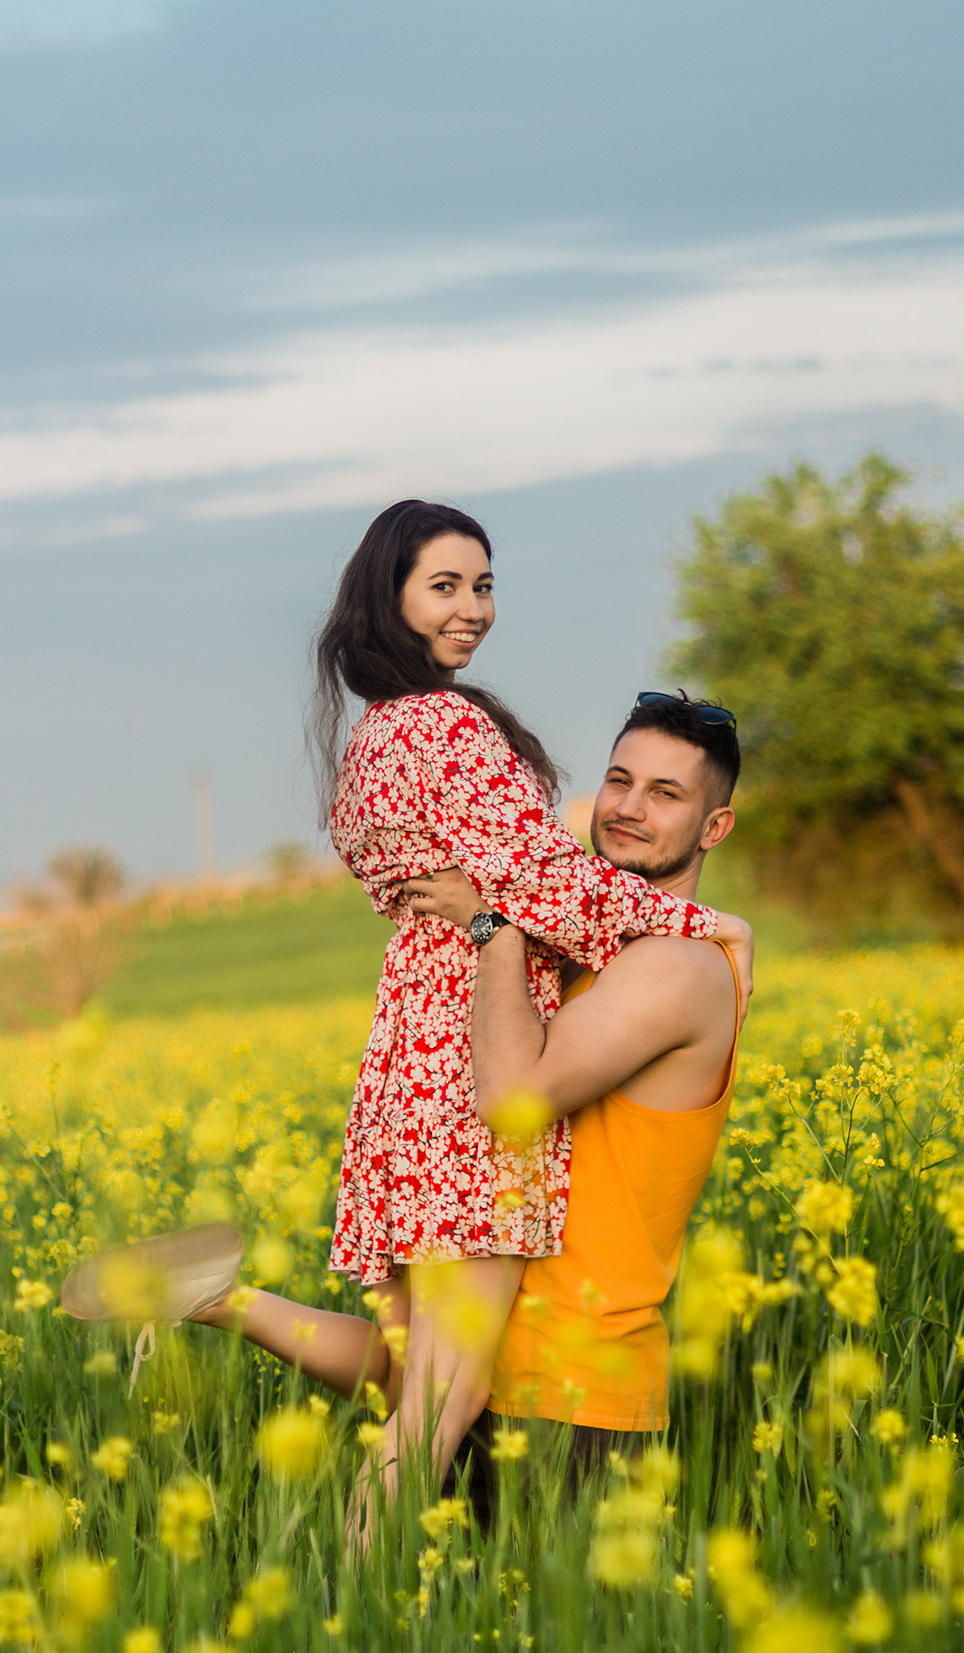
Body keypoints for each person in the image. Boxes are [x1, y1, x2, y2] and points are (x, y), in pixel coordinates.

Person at [307, 502, 751, 1499]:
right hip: (470, 1042)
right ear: (389, 598)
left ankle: (360, 1609)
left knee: (414, 1380)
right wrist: (708, 923)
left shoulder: (374, 738)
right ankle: (355, 1611)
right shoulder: (451, 729)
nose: (472, 609)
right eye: (444, 586)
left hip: (409, 1048)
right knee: (432, 1409)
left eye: (483, 585)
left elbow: (493, 877)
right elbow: (543, 883)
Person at [403, 689, 741, 1476]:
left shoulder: (674, 968)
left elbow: (512, 1103)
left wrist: (491, 922)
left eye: (666, 794)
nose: (628, 808)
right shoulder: (593, 947)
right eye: (620, 780)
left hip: (574, 1400)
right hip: (490, 1364)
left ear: (714, 828)